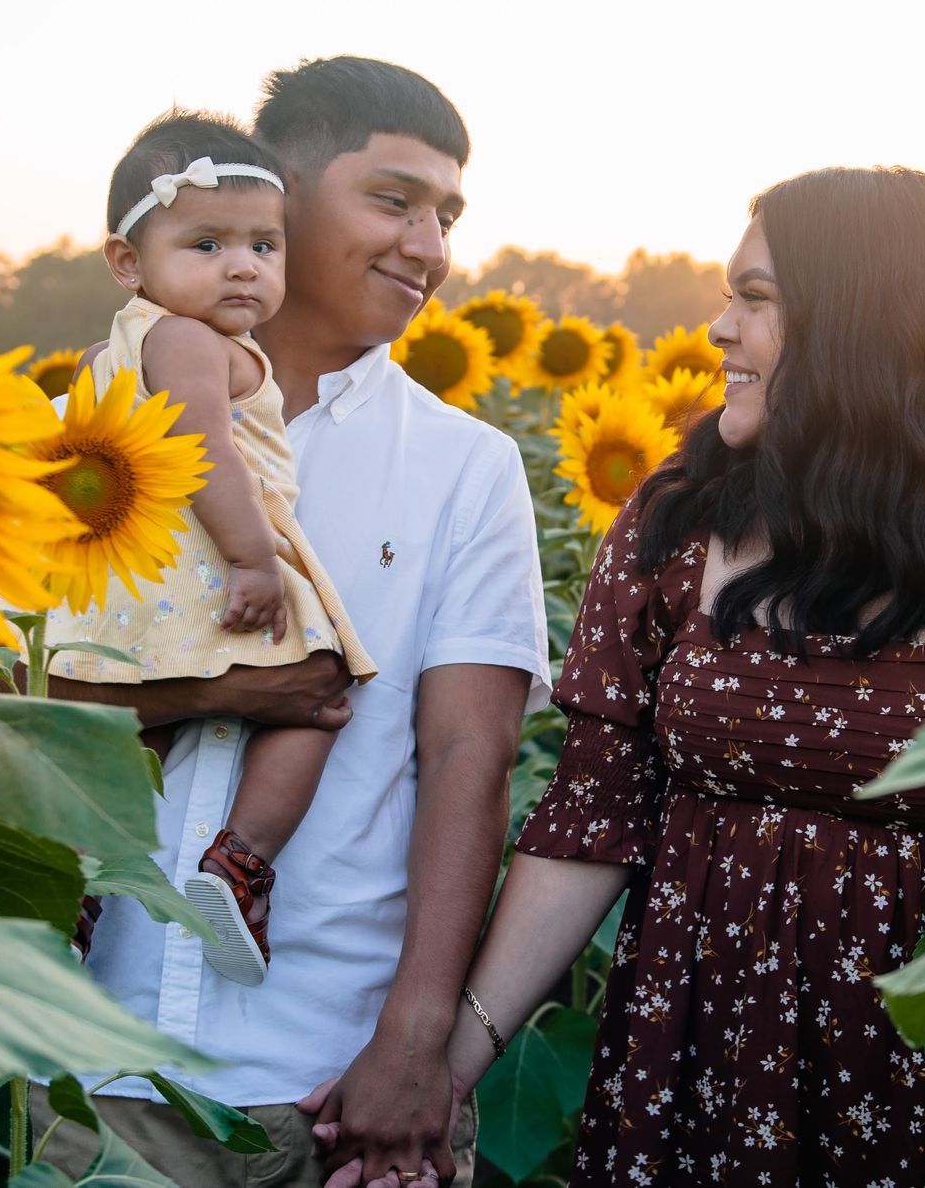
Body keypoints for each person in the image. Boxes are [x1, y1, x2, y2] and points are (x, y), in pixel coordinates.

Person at [425, 167, 925, 1186]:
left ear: (868, 322)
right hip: (688, 1079)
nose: (719, 328)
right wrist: (450, 1072)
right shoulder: (677, 525)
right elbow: (594, 814)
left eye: (756, 299)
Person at [32, 58, 549, 1188]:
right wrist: (216, 693)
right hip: (90, 1069)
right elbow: (8, 702)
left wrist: (421, 1042)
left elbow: (472, 754)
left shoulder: (465, 465)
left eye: (447, 217)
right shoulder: (88, 433)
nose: (429, 248)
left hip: (326, 1080)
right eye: (395, 201)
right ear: (288, 193)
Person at [51, 110, 378, 988]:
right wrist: (252, 560)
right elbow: (205, 448)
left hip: (133, 573)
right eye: (205, 244)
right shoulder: (192, 341)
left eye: (263, 247)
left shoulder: (103, 352)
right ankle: (241, 861)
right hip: (210, 560)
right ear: (129, 263)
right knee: (318, 687)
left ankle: (77, 874)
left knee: (139, 726)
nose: (242, 266)